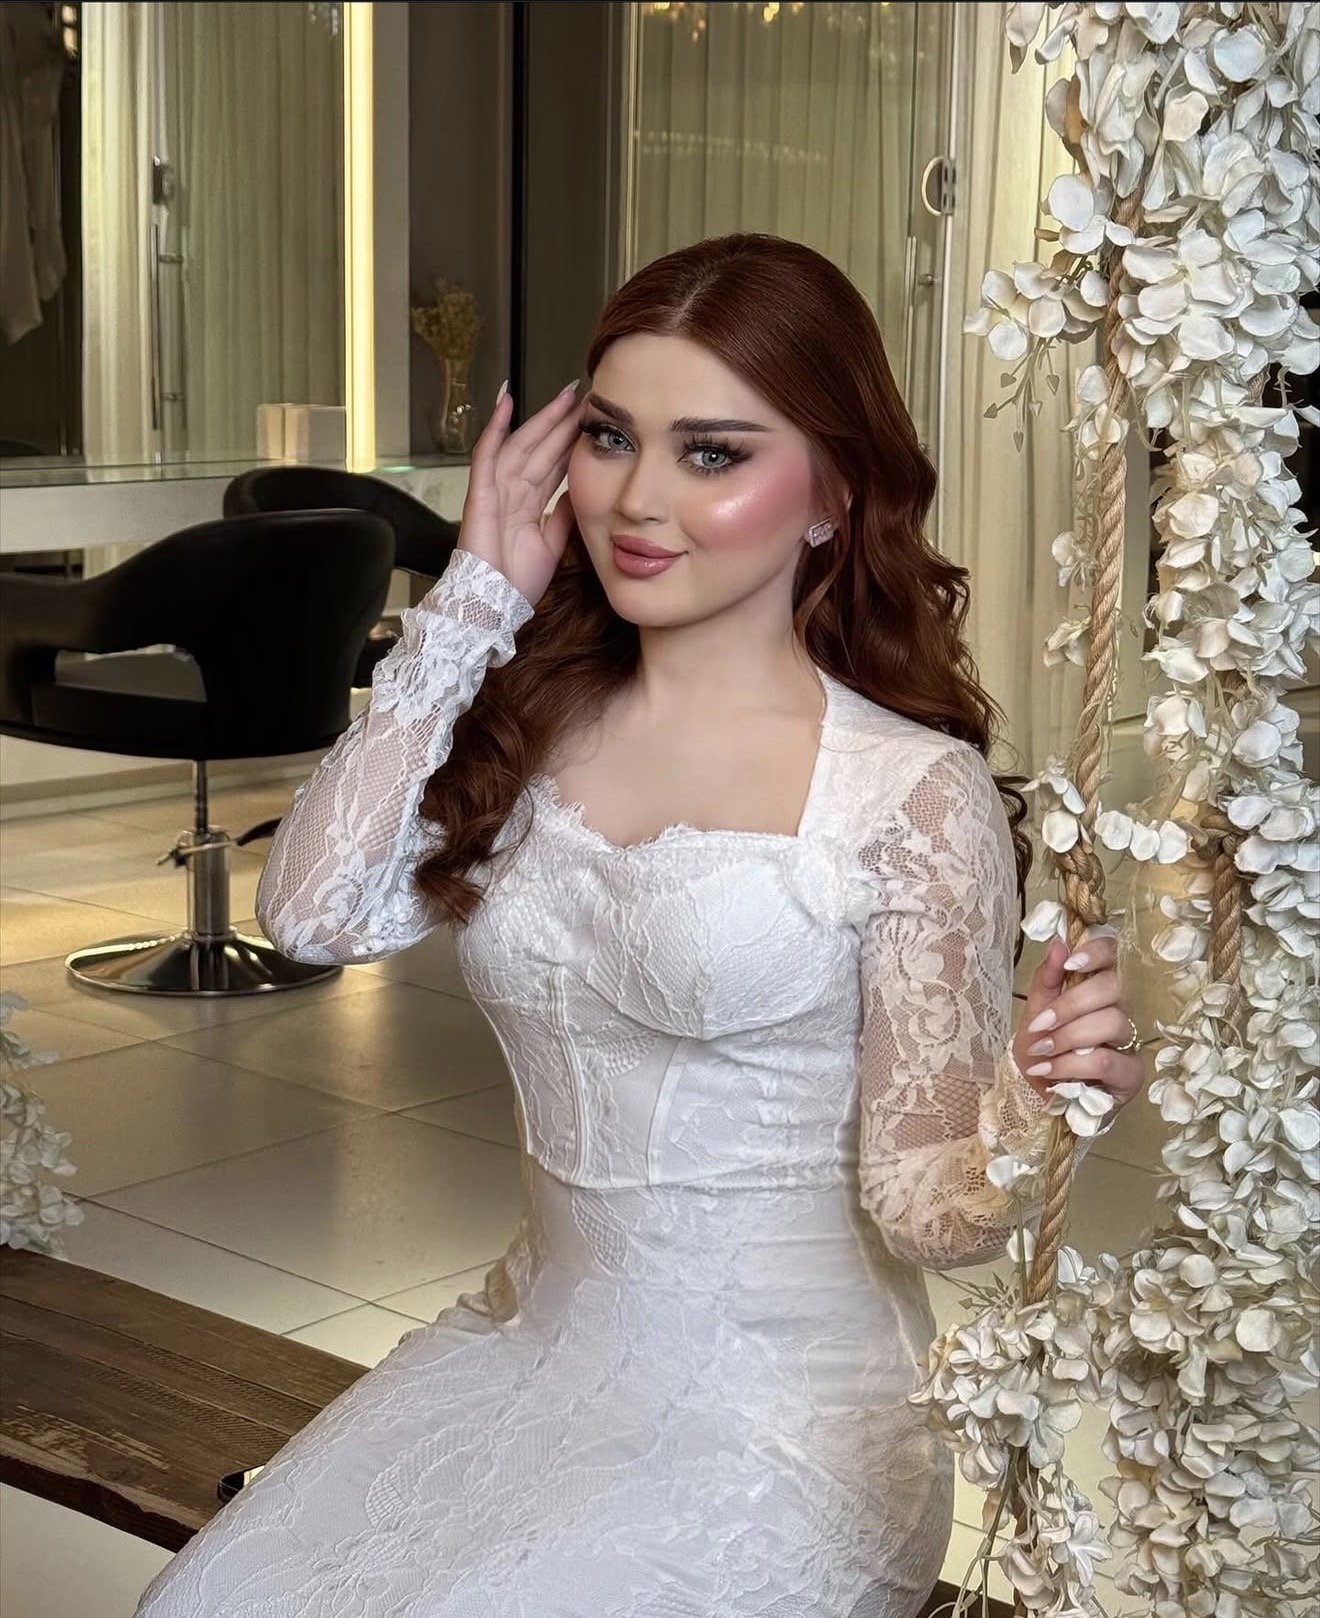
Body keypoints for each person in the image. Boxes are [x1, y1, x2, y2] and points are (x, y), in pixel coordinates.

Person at [135, 233, 1144, 1618]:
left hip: (785, 1424)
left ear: (833, 495)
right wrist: (474, 593)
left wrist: (1028, 1100)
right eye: (611, 436)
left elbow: (929, 1216)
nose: (638, 499)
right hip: (526, 1350)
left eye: (713, 452)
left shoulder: (909, 793)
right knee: (204, 1606)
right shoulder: (535, 714)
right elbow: (310, 913)